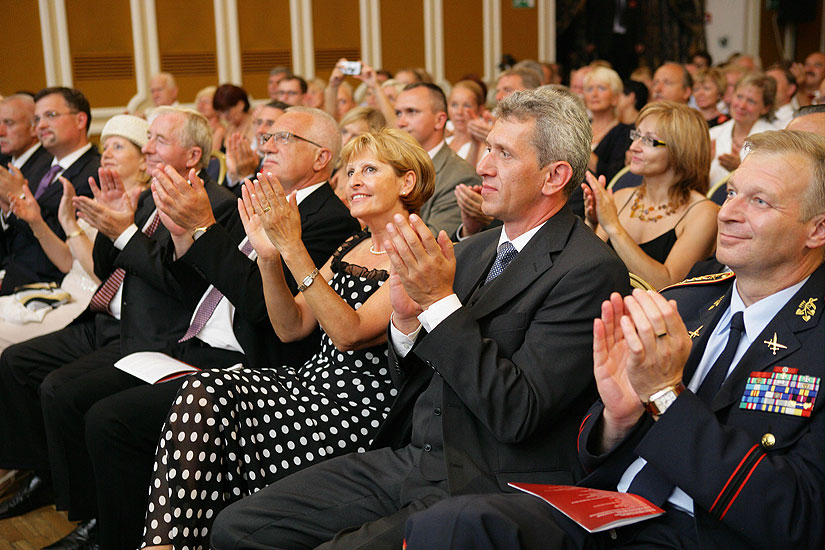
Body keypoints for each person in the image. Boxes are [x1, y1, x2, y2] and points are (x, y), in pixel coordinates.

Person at [209, 86, 631, 550]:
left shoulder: (588, 269)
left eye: (503, 154)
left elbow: (518, 412)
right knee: (237, 527)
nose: (483, 166)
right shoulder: (471, 250)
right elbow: (413, 377)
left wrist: (437, 302)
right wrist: (406, 326)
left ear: (554, 176)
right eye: (487, 147)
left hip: (492, 480)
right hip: (419, 458)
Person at [402, 129, 825, 550]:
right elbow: (592, 451)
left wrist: (665, 399)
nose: (728, 213)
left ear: (817, 230)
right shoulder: (688, 302)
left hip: (701, 534)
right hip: (611, 513)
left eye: (760, 201)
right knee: (449, 525)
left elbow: (797, 517)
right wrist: (616, 422)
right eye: (731, 193)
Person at [80, 106, 360, 550]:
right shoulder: (257, 199)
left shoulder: (329, 220)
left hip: (248, 362)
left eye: (283, 138)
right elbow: (191, 284)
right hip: (190, 341)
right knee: (80, 396)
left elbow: (264, 309)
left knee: (109, 420)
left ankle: (129, 537)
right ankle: (106, 523)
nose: (266, 144)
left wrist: (204, 227)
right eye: (267, 136)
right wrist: (182, 234)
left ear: (321, 158)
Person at [140, 128, 434, 550]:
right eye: (349, 171)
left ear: (406, 182)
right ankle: (166, 545)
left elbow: (349, 334)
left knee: (212, 410)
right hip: (309, 386)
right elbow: (291, 325)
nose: (353, 180)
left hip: (359, 412)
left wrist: (293, 246)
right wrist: (268, 256)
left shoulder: (423, 249)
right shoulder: (354, 245)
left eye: (369, 169)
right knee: (201, 390)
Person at [0, 107, 237, 547]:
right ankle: (73, 500)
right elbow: (108, 266)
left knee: (81, 402)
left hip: (167, 340)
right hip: (127, 326)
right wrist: (111, 227)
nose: (147, 148)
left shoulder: (218, 206)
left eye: (158, 141)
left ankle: (107, 523)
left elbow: (179, 286)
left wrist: (125, 232)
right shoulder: (148, 197)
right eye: (147, 140)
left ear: (193, 155)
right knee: (46, 381)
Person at [0, 115, 149, 350]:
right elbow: (67, 262)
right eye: (106, 147)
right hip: (62, 294)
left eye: (118, 147)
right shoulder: (98, 197)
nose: (107, 154)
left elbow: (104, 277)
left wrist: (71, 226)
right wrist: (37, 220)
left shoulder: (143, 207)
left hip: (92, 307)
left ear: (144, 160)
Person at [584, 101, 718, 290]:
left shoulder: (703, 212)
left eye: (648, 140)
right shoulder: (622, 197)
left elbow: (666, 285)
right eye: (636, 135)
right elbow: (586, 269)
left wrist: (613, 226)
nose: (633, 147)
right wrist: (591, 224)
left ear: (680, 150)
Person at [0, 87, 99, 293]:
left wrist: (19, 197)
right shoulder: (41, 167)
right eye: (37, 119)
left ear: (80, 120)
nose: (41, 125)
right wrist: (8, 207)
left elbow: (70, 240)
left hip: (51, 285)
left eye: (51, 116)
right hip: (14, 273)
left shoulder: (95, 172)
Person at [394, 82, 481, 236]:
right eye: (398, 113)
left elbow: (431, 242)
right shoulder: (392, 166)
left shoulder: (460, 177)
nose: (401, 122)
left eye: (411, 112)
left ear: (439, 120)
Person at [709, 72, 778, 186]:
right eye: (739, 96)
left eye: (751, 101)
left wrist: (741, 168)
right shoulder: (713, 134)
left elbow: (775, 183)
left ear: (766, 108)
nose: (741, 105)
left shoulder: (774, 139)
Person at [330, 106, 387, 204]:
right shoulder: (330, 171)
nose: (346, 141)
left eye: (356, 136)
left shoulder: (369, 180)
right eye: (344, 131)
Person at [584, 67, 633, 182]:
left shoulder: (625, 133)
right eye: (590, 89)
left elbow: (614, 175)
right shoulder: (580, 128)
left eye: (601, 88)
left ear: (615, 97)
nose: (594, 94)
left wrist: (580, 149)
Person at [445, 80, 485, 163]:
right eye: (454, 105)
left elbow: (470, 175)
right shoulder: (444, 137)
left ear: (480, 109)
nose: (459, 112)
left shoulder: (485, 147)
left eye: (467, 106)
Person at [213, 84, 254, 150]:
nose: (223, 117)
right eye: (220, 113)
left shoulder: (255, 125)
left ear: (240, 105)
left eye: (227, 111)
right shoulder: (229, 127)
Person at [194, 86, 226, 154]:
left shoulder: (220, 130)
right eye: (199, 102)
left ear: (217, 105)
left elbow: (212, 155)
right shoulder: (196, 129)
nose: (201, 105)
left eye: (206, 102)